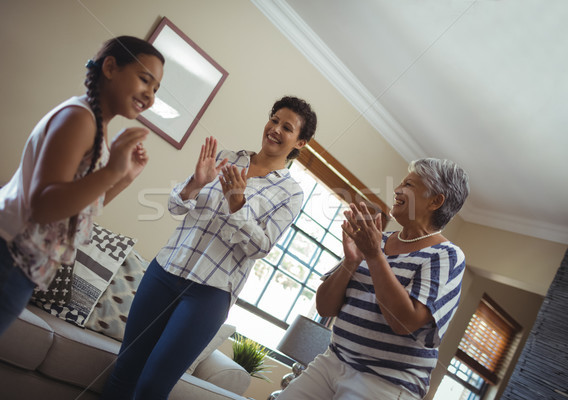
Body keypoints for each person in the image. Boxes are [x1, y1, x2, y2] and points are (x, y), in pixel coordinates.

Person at [102, 96, 318, 399]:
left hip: (209, 295)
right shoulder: (227, 157)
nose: (275, 129)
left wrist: (237, 204)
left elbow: (261, 246)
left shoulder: (291, 193)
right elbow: (176, 205)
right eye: (274, 120)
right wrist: (195, 182)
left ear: (301, 142)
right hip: (164, 272)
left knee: (152, 387)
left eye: (287, 127)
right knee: (125, 370)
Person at [0, 36, 164, 361]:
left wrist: (124, 175)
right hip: (1, 252)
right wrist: (111, 170)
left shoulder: (95, 123)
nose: (150, 94)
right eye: (144, 79)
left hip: (13, 260)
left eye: (156, 88)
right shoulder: (80, 118)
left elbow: (78, 207)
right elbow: (44, 206)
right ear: (110, 67)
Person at [277, 158, 469, 400]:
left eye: (409, 185)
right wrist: (350, 262)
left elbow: (404, 322)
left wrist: (375, 256)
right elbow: (324, 307)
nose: (397, 190)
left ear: (436, 201)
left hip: (386, 383)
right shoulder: (377, 240)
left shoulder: (446, 256)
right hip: (332, 362)